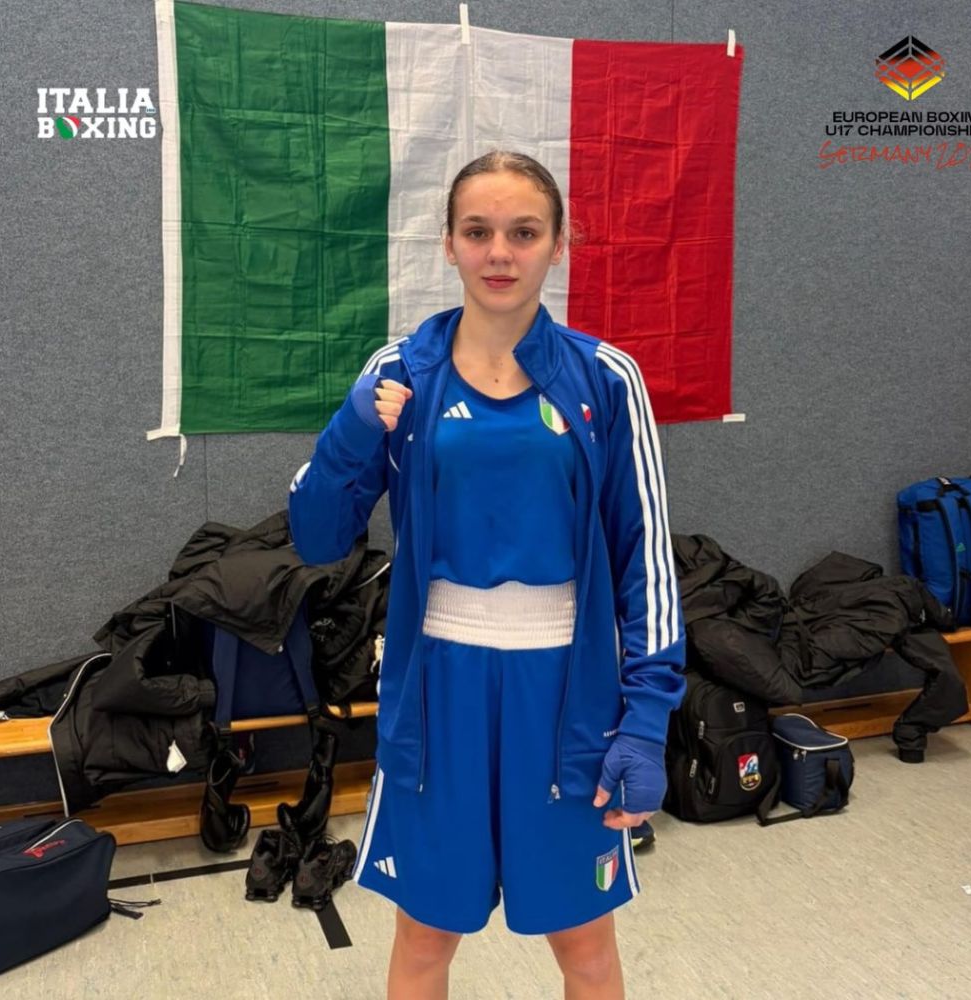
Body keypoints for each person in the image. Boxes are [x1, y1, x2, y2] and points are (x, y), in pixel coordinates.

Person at [289, 150, 686, 1000]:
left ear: (558, 245)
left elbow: (644, 557)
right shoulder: (400, 372)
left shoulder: (605, 377)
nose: (499, 252)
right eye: (477, 231)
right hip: (439, 692)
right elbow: (316, 537)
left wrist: (647, 718)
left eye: (523, 232)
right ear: (448, 244)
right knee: (425, 939)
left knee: (584, 944)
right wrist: (352, 432)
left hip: (567, 694)